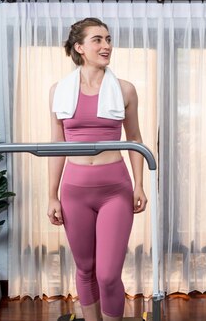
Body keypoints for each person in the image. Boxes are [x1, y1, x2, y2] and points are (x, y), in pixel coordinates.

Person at [47, 17, 148, 321]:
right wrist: (52, 195)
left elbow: (134, 139)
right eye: (98, 40)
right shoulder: (58, 91)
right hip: (74, 191)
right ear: (79, 47)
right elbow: (56, 145)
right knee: (85, 268)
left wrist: (139, 184)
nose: (106, 46)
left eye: (108, 39)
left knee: (107, 274)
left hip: (114, 189)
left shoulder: (125, 90)